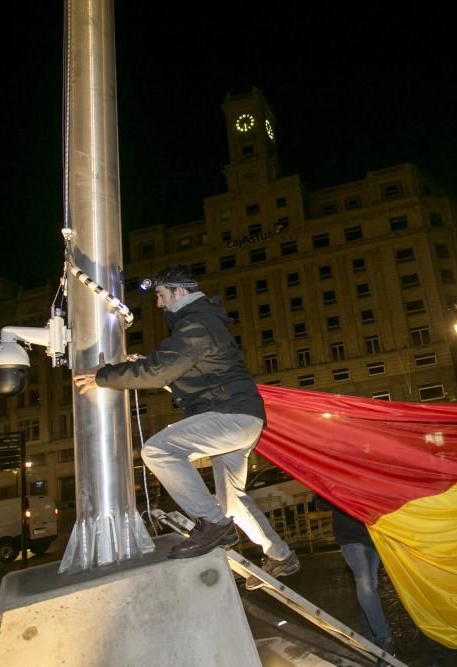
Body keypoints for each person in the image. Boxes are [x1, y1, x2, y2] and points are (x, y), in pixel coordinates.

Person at [73, 264, 299, 583]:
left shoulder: (196, 325)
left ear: (180, 292)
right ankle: (280, 555)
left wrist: (103, 377)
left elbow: (160, 373)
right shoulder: (201, 324)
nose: (159, 304)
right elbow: (179, 374)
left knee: (159, 451)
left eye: (162, 296)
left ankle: (214, 524)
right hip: (240, 420)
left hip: (229, 417)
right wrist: (148, 366)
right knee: (232, 499)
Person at [315, 496, 395, 656]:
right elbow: (321, 504)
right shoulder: (333, 473)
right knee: (365, 584)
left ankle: (368, 637)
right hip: (350, 537)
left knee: (371, 586)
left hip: (373, 534)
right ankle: (384, 638)